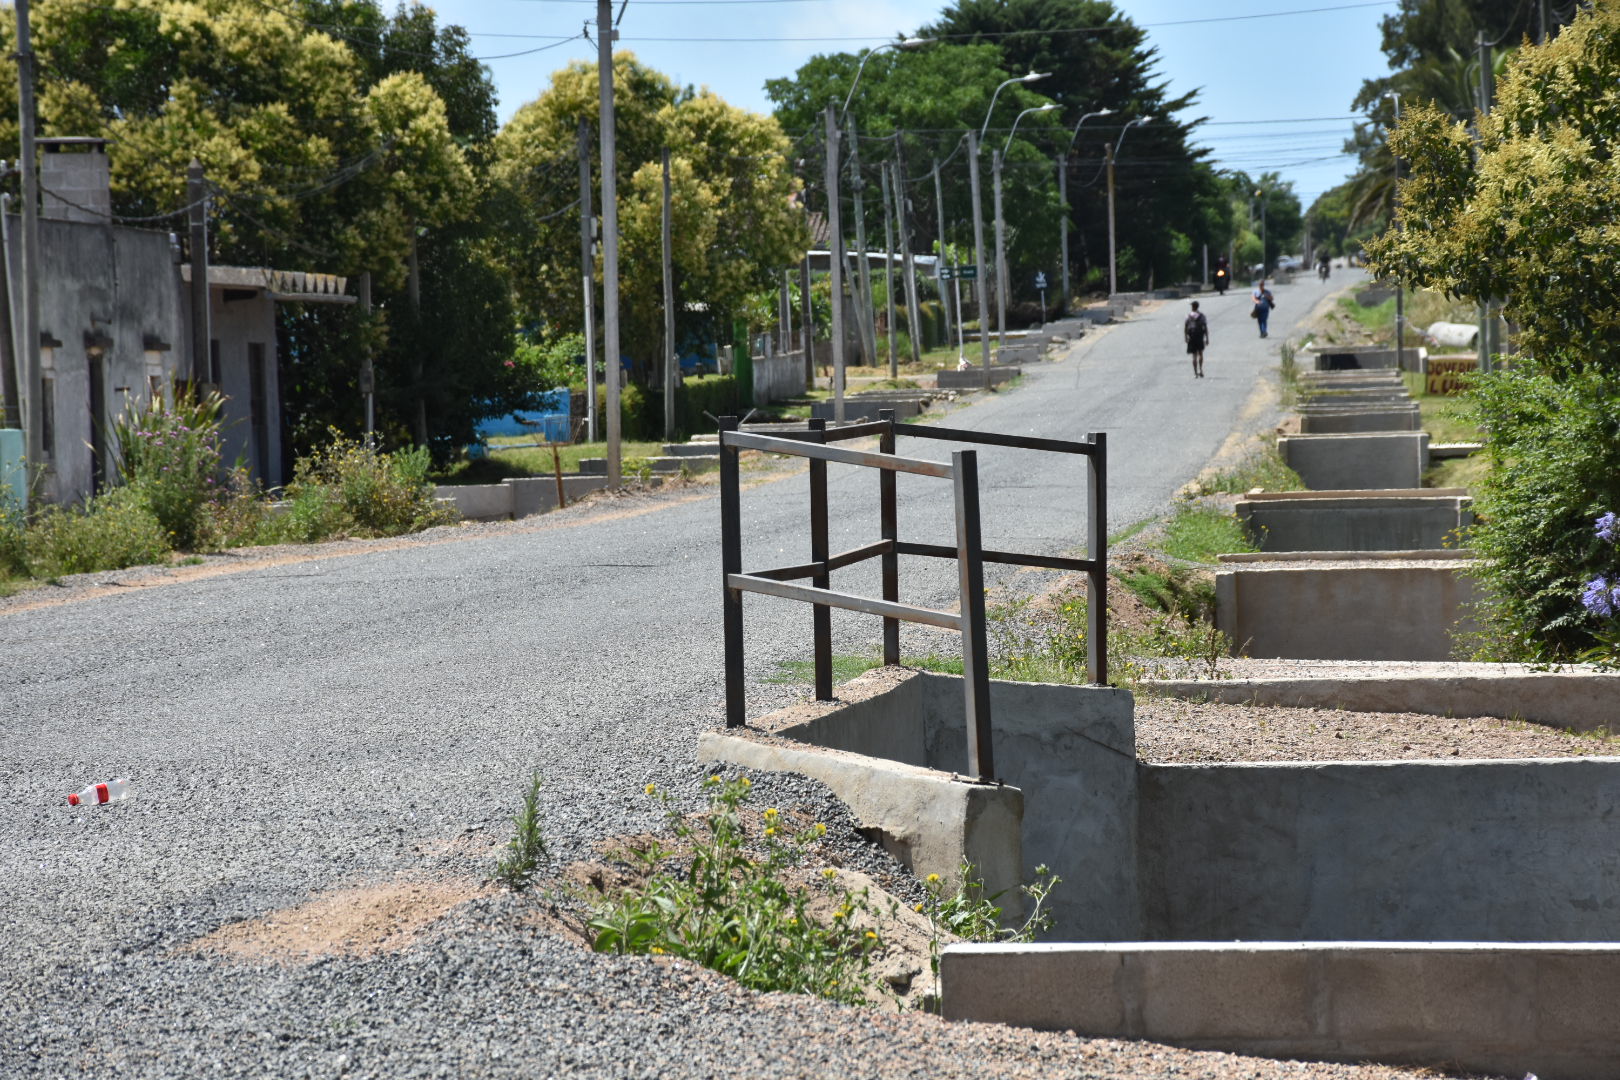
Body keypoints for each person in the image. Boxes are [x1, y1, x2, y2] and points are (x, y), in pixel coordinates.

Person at [1184, 300, 1209, 378]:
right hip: (1200, 336)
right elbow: (1205, 327)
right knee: (1200, 353)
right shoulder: (1202, 316)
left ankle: (1195, 373)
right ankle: (1200, 370)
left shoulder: (1189, 316)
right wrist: (1207, 338)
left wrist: (1186, 337)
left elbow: (1185, 327)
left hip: (1192, 336)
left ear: (1192, 307)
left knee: (1194, 355)